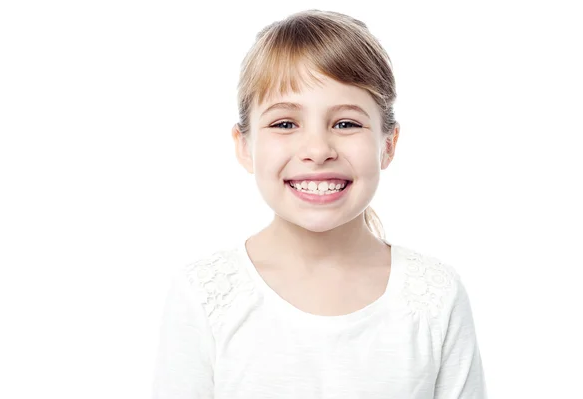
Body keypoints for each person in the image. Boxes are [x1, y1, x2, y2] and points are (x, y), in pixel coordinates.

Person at [152, 9, 487, 398]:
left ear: (388, 145)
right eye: (285, 124)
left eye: (346, 123)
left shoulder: (436, 296)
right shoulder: (203, 294)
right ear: (245, 146)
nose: (317, 150)